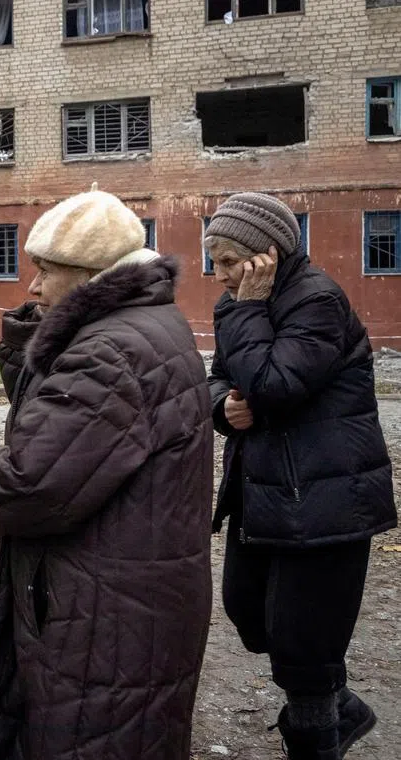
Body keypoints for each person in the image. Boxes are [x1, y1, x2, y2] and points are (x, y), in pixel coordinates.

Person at [0, 187, 213, 760]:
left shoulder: (111, 352)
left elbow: (33, 479)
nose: (33, 288)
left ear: (93, 277)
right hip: (132, 593)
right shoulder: (147, 323)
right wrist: (37, 340)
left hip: (106, 612)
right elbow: (66, 428)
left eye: (46, 272)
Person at [205, 192, 397, 759]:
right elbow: (222, 379)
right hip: (265, 491)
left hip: (326, 494)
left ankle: (316, 735)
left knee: (303, 644)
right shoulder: (237, 301)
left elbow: (273, 386)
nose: (219, 276)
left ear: (266, 255)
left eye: (227, 261)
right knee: (246, 609)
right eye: (213, 260)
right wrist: (222, 408)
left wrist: (248, 312)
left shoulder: (316, 301)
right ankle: (343, 708)